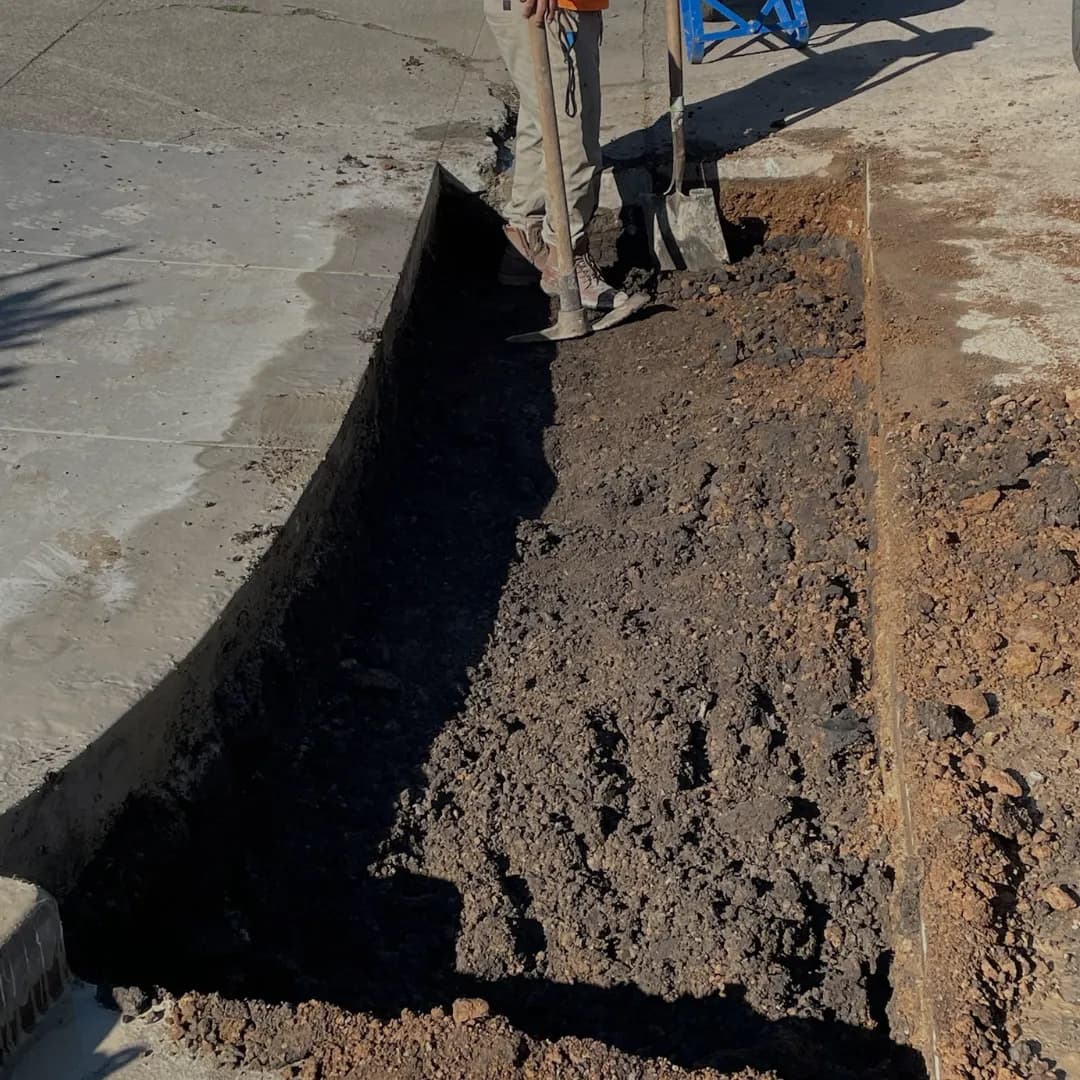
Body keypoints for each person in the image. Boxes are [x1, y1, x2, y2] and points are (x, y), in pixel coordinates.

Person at [485, 0, 632, 312]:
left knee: (543, 115)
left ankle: (527, 240)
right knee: (572, 133)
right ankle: (566, 258)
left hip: (545, 9)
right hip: (554, 12)